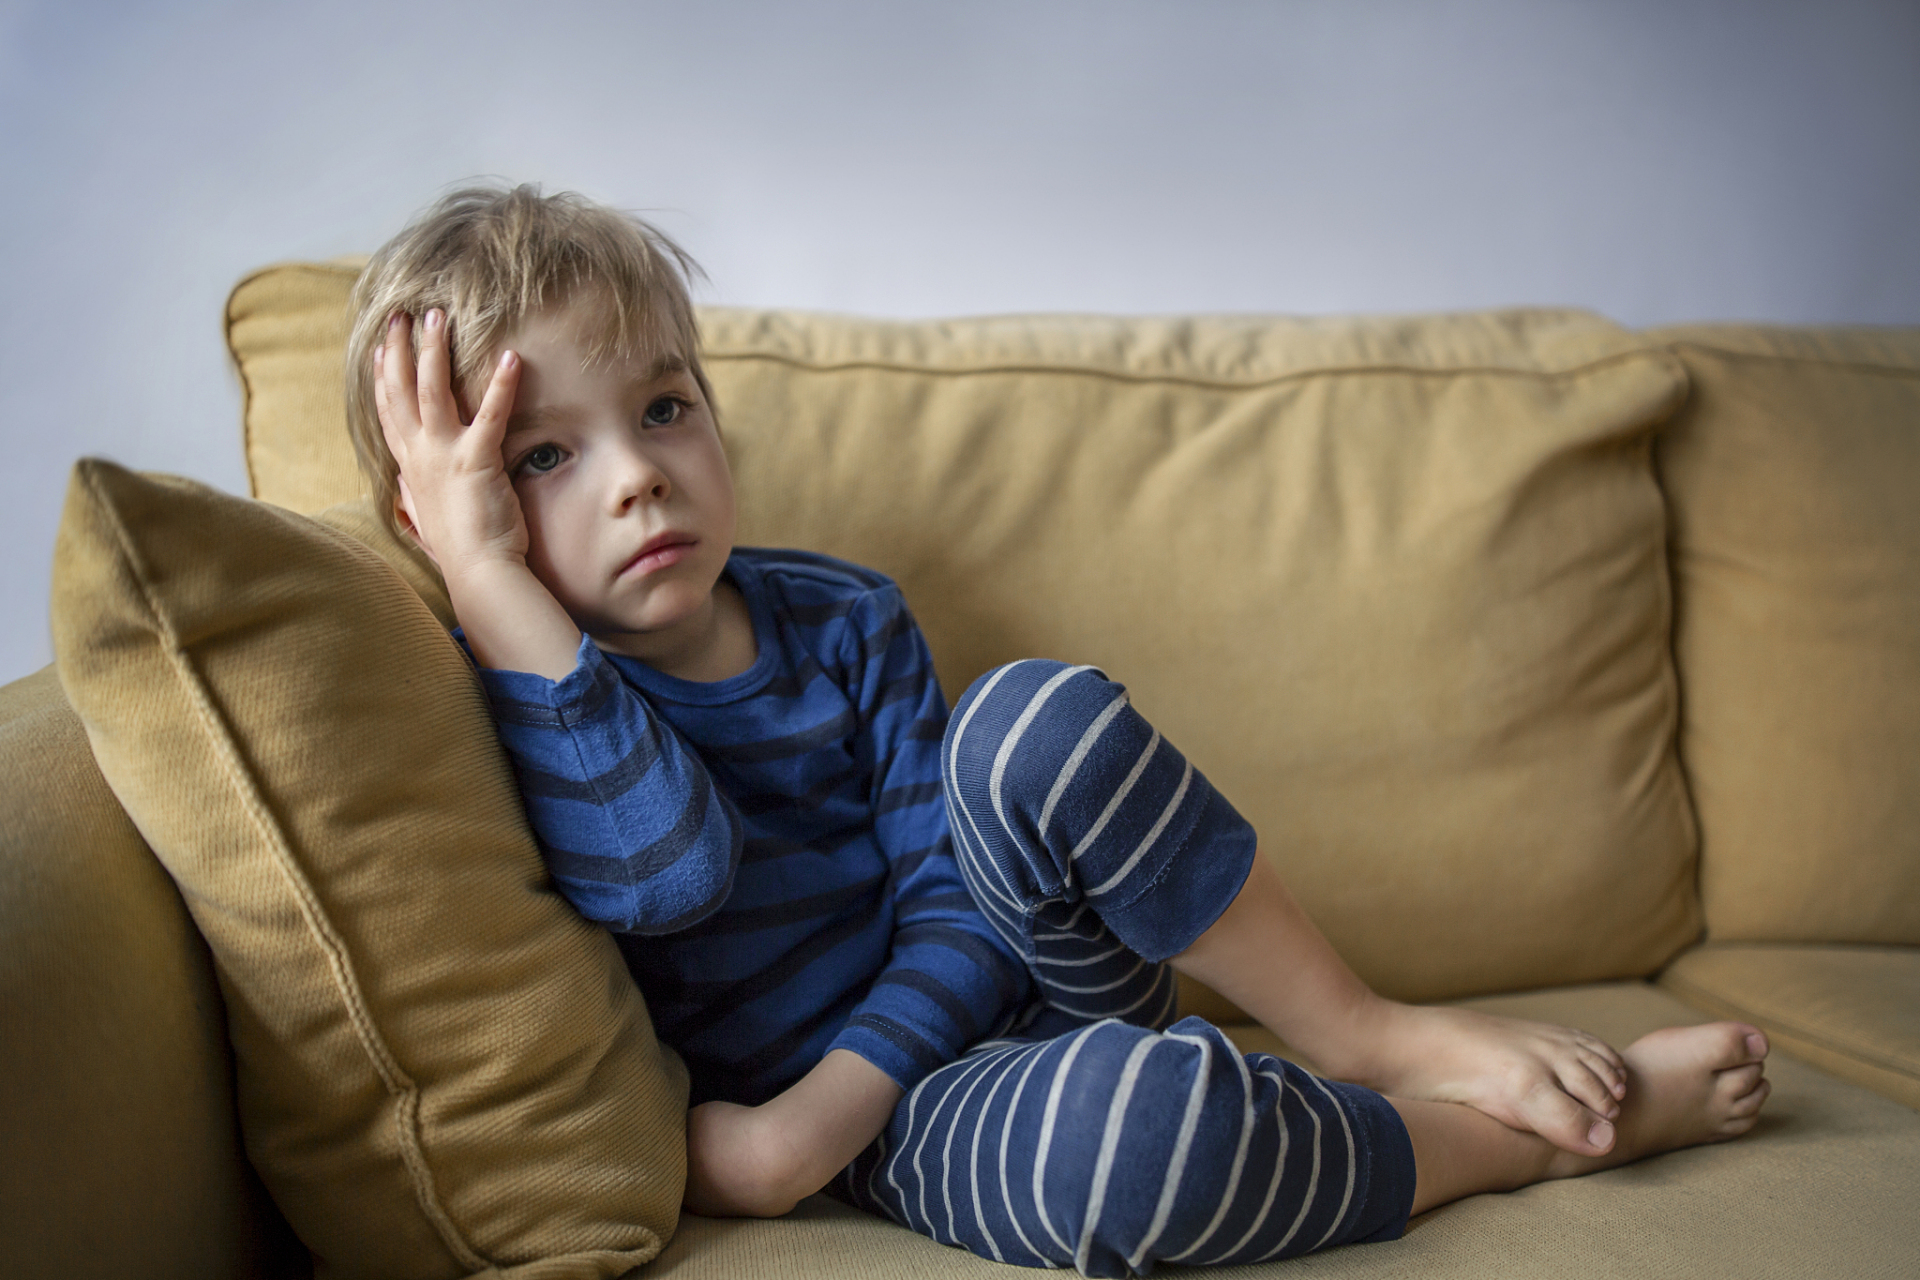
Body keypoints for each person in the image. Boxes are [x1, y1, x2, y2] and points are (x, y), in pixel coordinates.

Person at [348, 184, 1771, 1277]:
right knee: (1131, 1147)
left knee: (1031, 715)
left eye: (666, 408)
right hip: (924, 1133)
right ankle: (1505, 1151)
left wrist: (799, 1132)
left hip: (1000, 989)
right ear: (451, 510)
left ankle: (1370, 1036)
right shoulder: (527, 702)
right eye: (544, 456)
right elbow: (666, 873)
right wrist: (487, 587)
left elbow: (960, 909)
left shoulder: (842, 620)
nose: (641, 479)